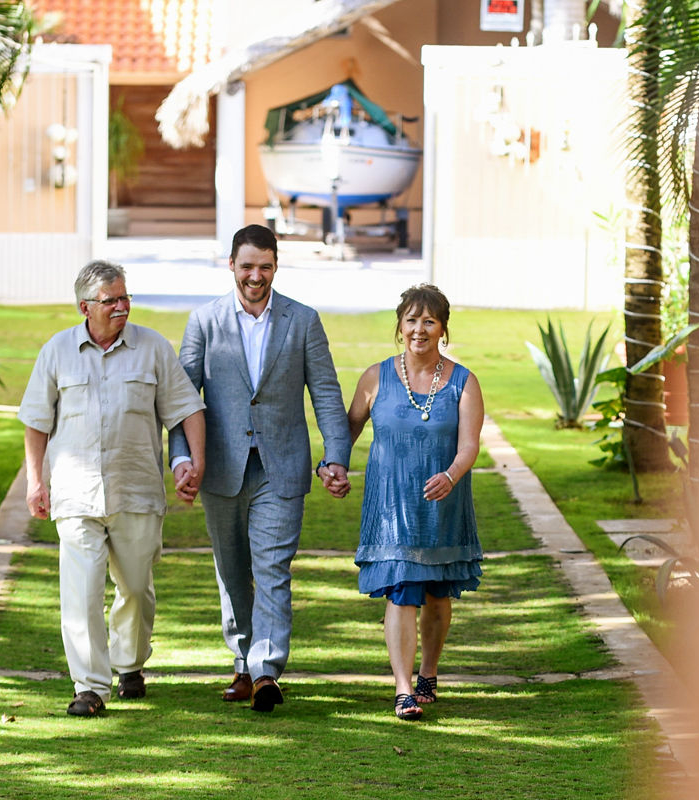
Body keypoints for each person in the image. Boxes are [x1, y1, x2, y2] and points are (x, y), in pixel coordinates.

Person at [168, 224, 351, 712]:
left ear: (276, 267)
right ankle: (243, 661)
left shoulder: (303, 320)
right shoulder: (204, 322)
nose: (255, 276)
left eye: (265, 266)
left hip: (282, 466)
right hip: (221, 468)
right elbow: (181, 399)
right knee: (232, 570)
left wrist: (336, 455)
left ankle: (267, 669)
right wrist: (182, 458)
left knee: (272, 566)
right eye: (246, 266)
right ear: (231, 265)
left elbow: (327, 395)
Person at [19, 260, 205, 717]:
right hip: (75, 493)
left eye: (125, 297)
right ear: (85, 306)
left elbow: (187, 408)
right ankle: (89, 687)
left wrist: (195, 463)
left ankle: (129, 664)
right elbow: (36, 421)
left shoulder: (153, 348)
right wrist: (35, 480)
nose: (121, 306)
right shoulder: (57, 351)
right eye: (111, 300)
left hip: (136, 489)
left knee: (136, 587)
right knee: (81, 593)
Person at [344, 284, 484, 721]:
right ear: (399, 325)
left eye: (429, 321)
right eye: (411, 320)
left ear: (442, 327)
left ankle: (428, 672)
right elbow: (347, 431)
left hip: (442, 505)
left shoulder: (464, 381)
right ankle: (404, 689)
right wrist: (332, 464)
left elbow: (469, 446)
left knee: (438, 595)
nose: (419, 330)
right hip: (391, 507)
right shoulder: (375, 377)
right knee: (402, 590)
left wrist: (451, 475)